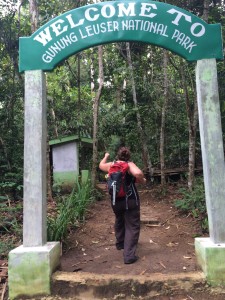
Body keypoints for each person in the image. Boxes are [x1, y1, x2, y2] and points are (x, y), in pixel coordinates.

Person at [99, 147, 146, 264]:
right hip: (130, 200)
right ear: (128, 156)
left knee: (119, 219)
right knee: (132, 225)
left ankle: (120, 243)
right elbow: (138, 173)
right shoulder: (129, 164)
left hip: (115, 200)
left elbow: (100, 165)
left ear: (118, 155)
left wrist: (106, 156)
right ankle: (129, 256)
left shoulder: (112, 165)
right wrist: (142, 180)